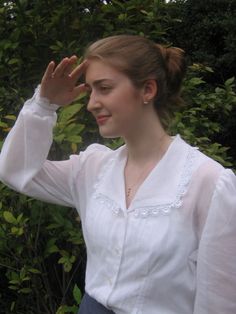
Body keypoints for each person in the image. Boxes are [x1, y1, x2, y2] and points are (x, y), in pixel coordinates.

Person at [0, 34, 235, 314]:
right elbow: (15, 171)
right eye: (90, 91)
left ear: (148, 90)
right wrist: (44, 104)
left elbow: (218, 299)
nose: (91, 103)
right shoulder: (92, 169)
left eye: (104, 88)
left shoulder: (206, 181)